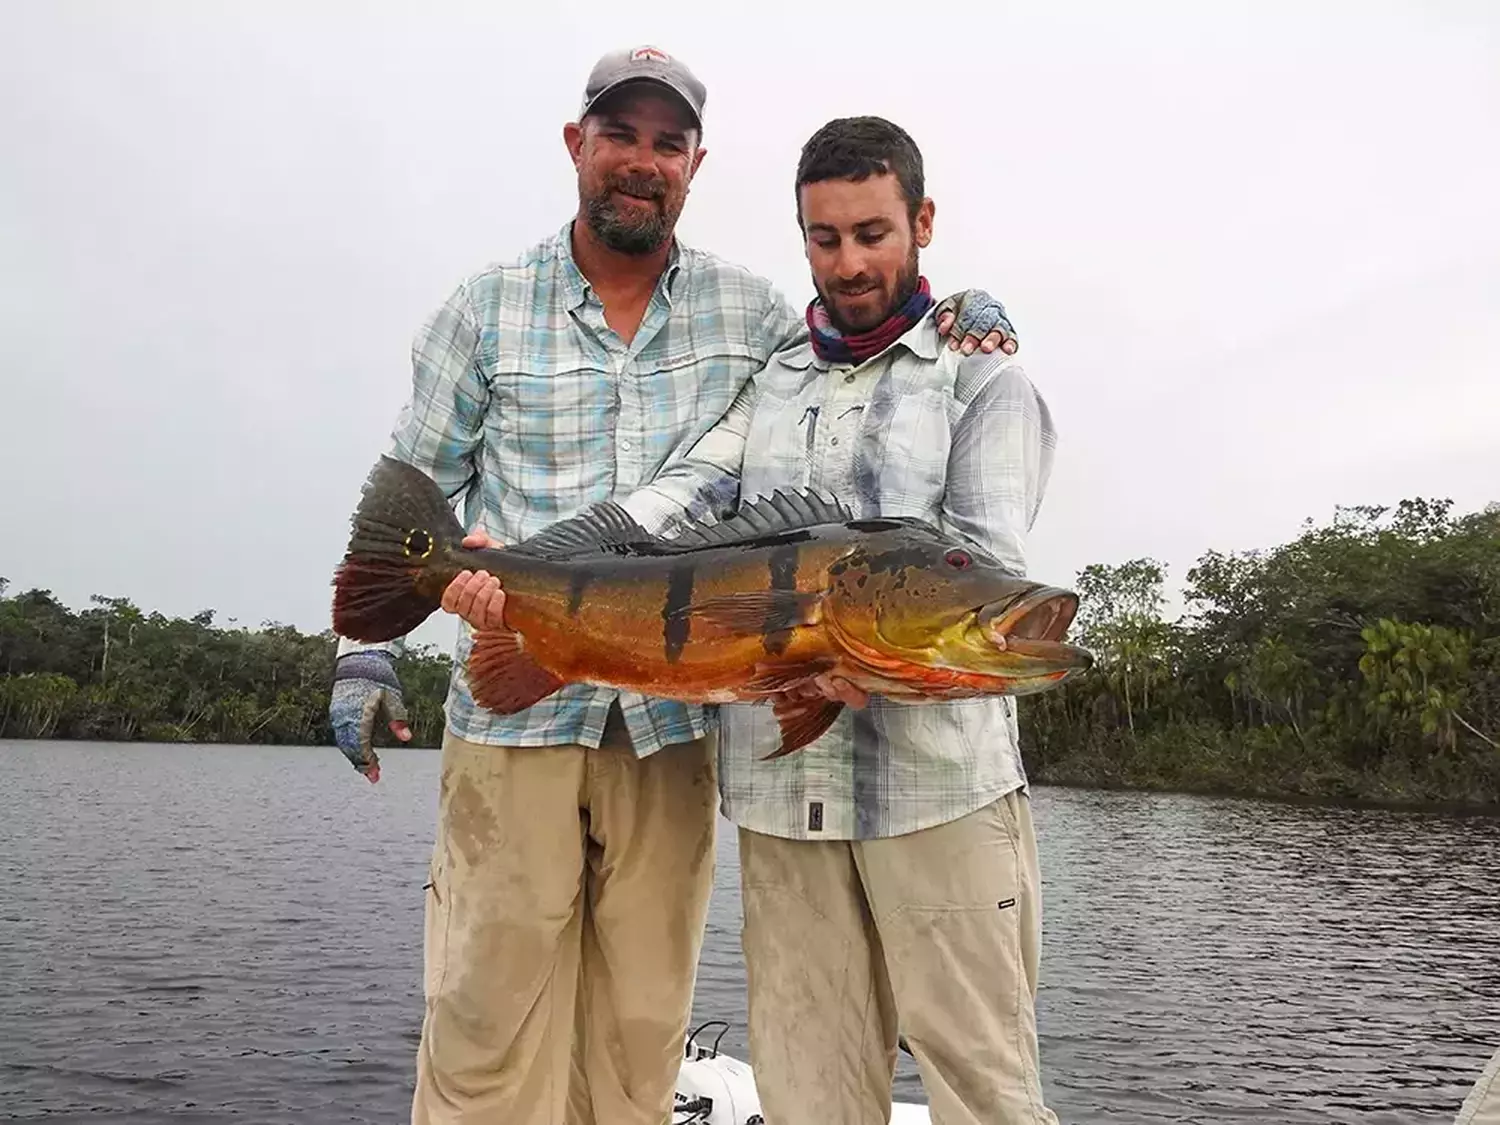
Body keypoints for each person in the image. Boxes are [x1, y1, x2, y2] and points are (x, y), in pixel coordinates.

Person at [326, 46, 1017, 1125]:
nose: (640, 162)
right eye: (620, 137)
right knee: (483, 1021)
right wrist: (367, 650)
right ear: (578, 146)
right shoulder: (482, 310)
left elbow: (863, 338)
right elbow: (409, 491)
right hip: (517, 717)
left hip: (669, 733)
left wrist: (959, 307)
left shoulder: (753, 317)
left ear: (695, 163)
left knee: (644, 1034)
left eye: (666, 143)